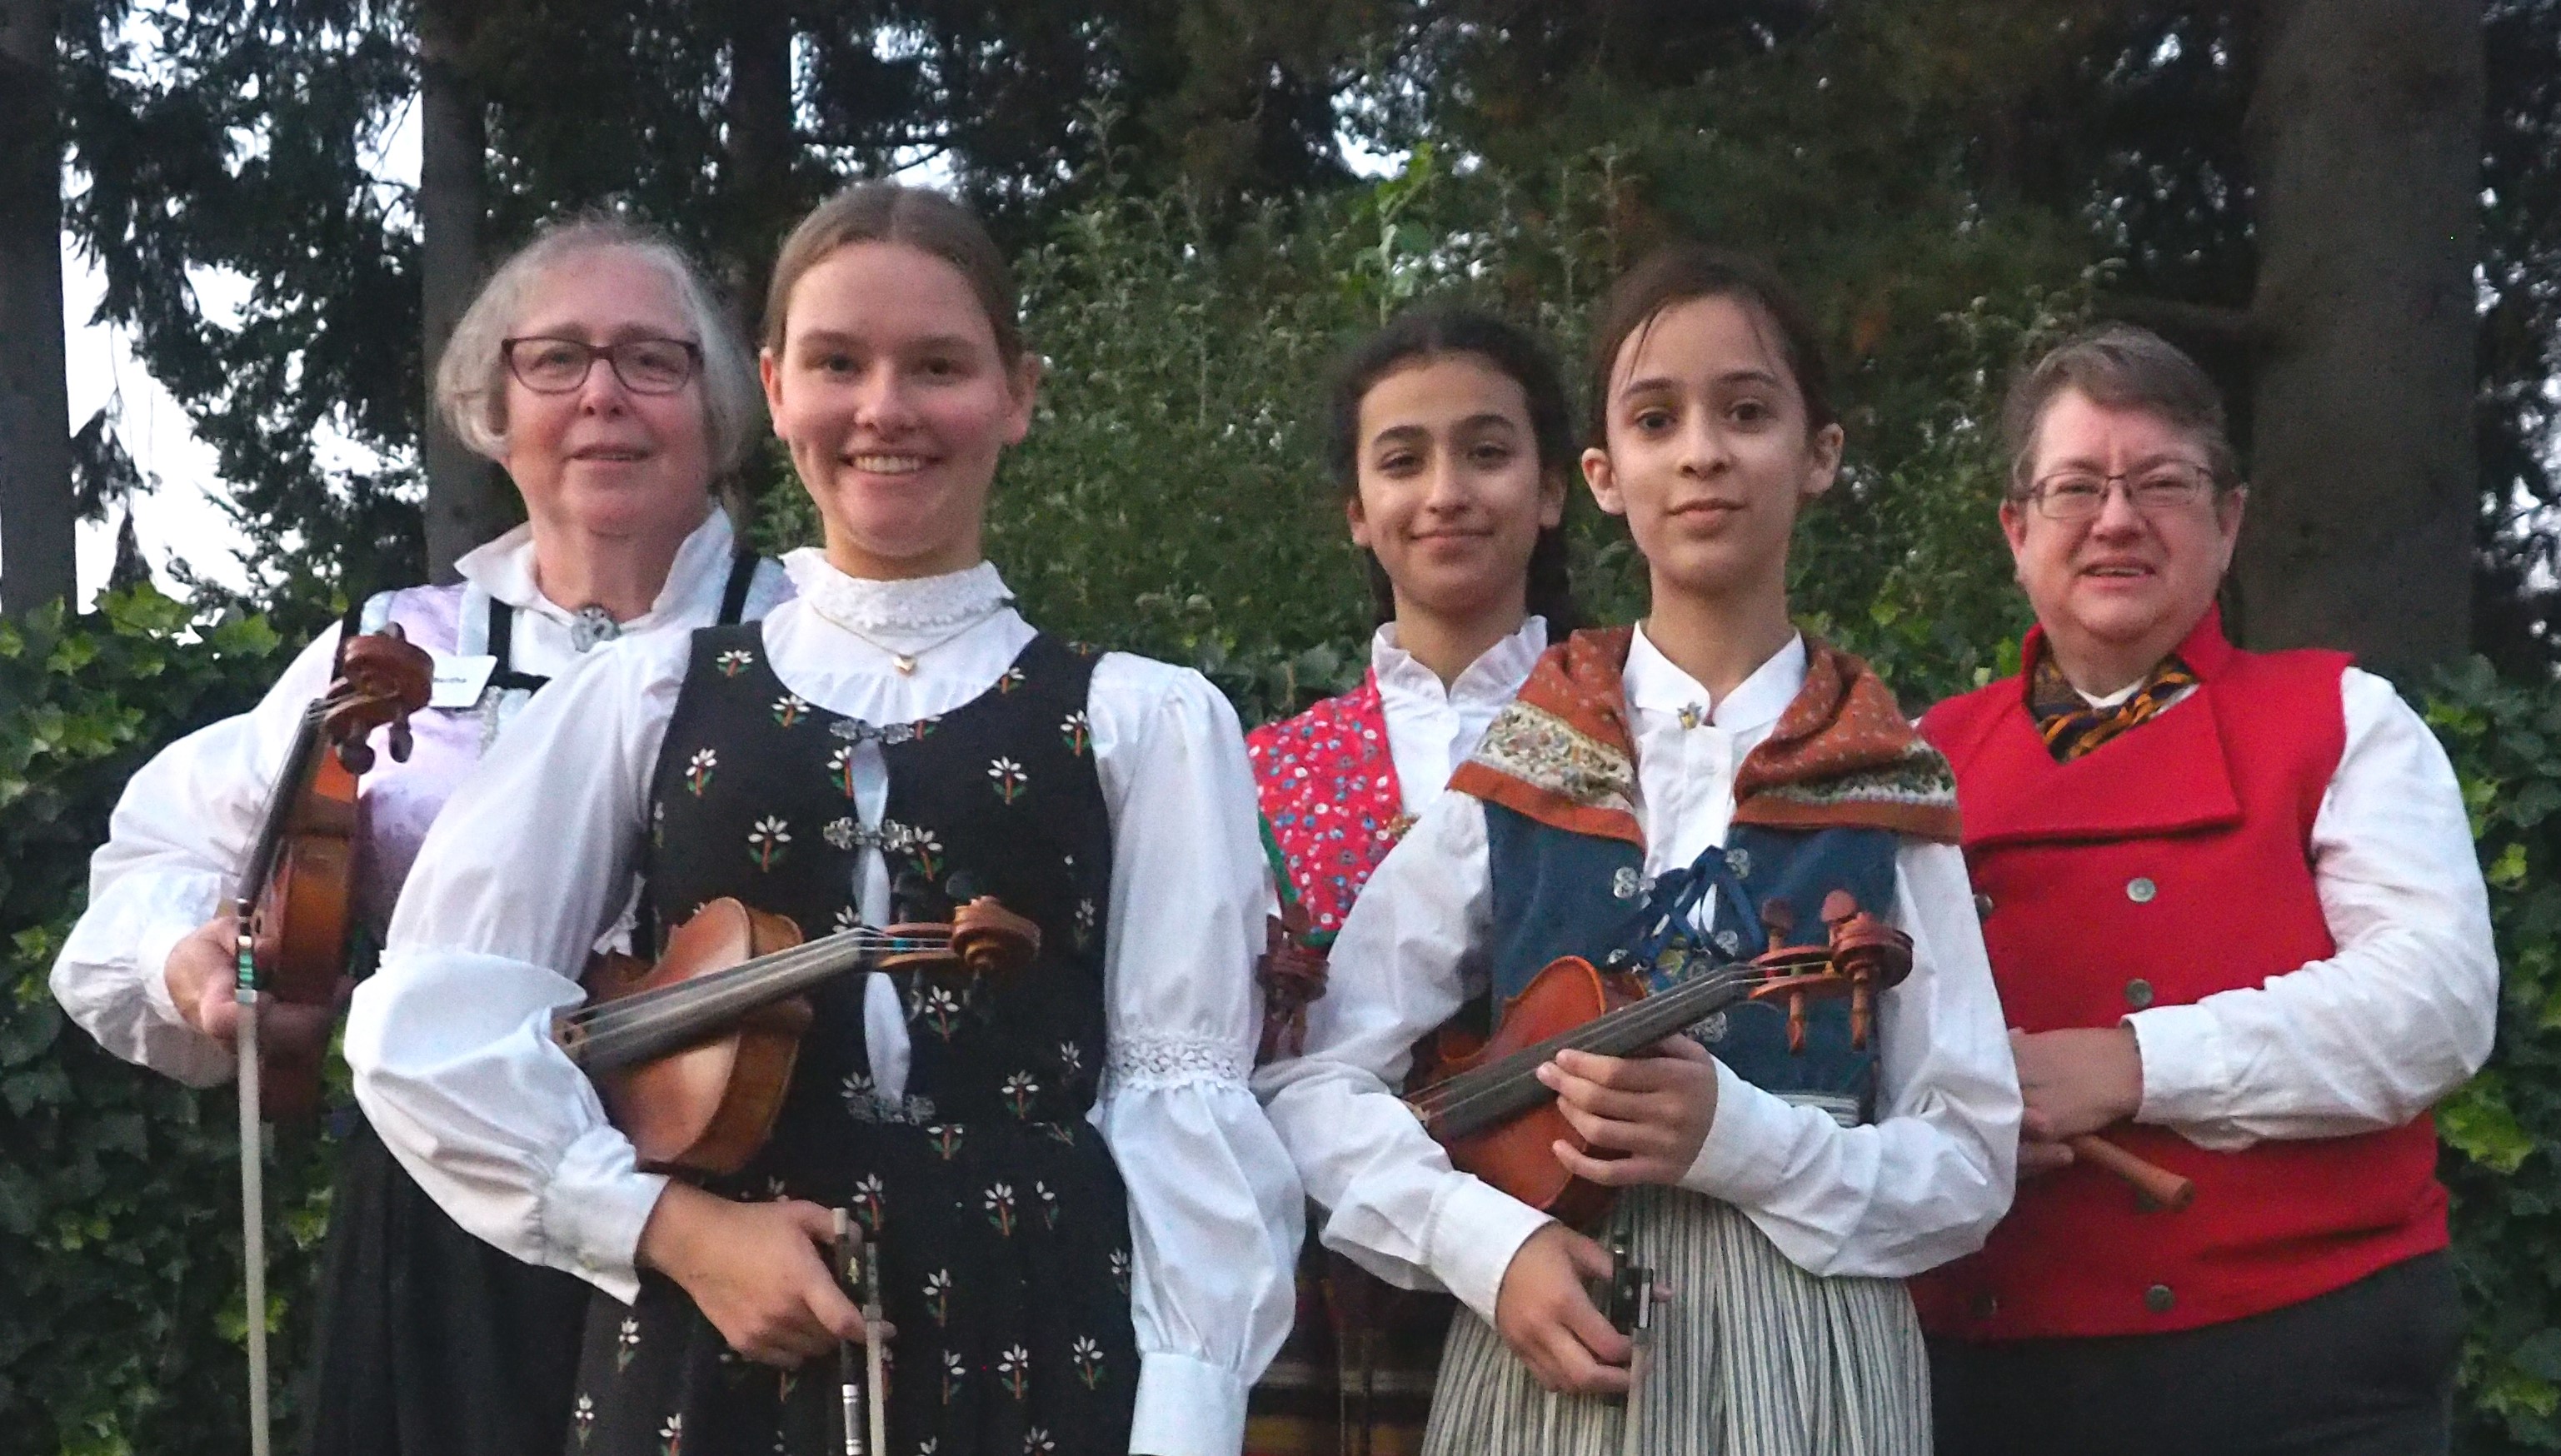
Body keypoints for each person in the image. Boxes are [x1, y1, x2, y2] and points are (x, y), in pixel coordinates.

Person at [343, 182, 1298, 1456]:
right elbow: (429, 1021)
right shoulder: (647, 693)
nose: (886, 409)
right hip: (714, 1341)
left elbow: (1184, 1106)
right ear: (776, 388)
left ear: (1017, 393)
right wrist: (673, 1232)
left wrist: (1183, 1421)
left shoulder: (1149, 720)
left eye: (939, 366)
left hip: (1040, 1338)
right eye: (840, 364)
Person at [1256, 245, 2017, 1456]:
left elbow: (1970, 1162)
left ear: (1819, 455)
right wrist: (1481, 1247)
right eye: (1658, 419)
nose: (1703, 452)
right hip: (1543, 1340)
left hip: (1812, 1353)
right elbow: (1310, 1083)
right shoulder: (1525, 763)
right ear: (1605, 475)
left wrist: (1744, 1143)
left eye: (1747, 412)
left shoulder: (1884, 777)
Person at [49, 218, 791, 1456]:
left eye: (649, 361)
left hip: (744, 1185)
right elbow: (163, 858)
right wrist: (197, 966)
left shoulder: (804, 629)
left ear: (717, 411)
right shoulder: (394, 643)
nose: (601, 393)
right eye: (554, 360)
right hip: (453, 1220)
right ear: (492, 413)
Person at [1915, 324, 2497, 1455]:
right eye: (2076, 486)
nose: (2117, 518)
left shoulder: (2346, 720)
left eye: (2161, 484)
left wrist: (2130, 1065)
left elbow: (2432, 1005)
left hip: (2307, 1377)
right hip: (1988, 1380)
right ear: (2015, 530)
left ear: (2227, 522)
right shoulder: (1917, 760)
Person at [1244, 305, 1577, 1456]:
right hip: (1321, 1282)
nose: (1445, 491)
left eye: (1486, 452)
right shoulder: (1261, 770)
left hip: (1582, 1241)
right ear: (1355, 512)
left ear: (1551, 490)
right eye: (1401, 460)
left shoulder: (1630, 732)